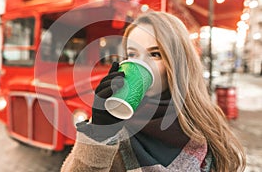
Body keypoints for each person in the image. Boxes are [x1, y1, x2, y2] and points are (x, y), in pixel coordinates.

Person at [60, 11, 246, 172]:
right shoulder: (113, 121)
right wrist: (99, 131)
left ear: (178, 63)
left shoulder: (205, 121)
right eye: (132, 54)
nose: (141, 64)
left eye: (155, 54)